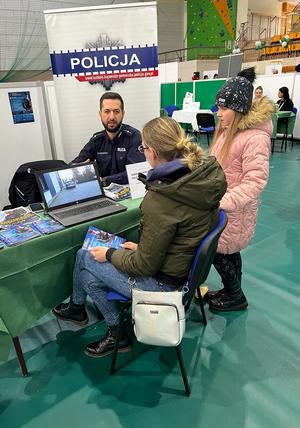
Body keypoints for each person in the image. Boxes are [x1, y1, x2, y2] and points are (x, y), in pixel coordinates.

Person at [53, 117, 227, 358]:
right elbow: (179, 232)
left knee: (83, 257)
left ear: (153, 153)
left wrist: (111, 253)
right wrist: (141, 246)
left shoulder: (162, 198)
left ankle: (96, 320)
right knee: (88, 274)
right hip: (183, 273)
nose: (142, 151)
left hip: (163, 286)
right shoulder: (203, 176)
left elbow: (143, 266)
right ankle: (100, 321)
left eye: (143, 148)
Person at [207, 67, 275, 312]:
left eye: (223, 108)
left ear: (238, 110)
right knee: (228, 251)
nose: (218, 113)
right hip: (224, 208)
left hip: (234, 210)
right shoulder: (228, 132)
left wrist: (224, 201)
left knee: (216, 251)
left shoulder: (254, 138)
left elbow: (255, 181)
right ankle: (232, 290)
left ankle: (236, 296)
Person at [72, 92, 145, 186]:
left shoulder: (134, 137)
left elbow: (136, 172)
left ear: (123, 113)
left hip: (129, 194)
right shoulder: (97, 140)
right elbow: (77, 163)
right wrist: (77, 168)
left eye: (116, 111)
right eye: (107, 111)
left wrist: (104, 180)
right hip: (105, 194)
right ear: (100, 114)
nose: (112, 117)